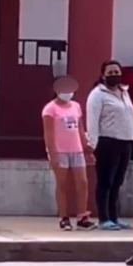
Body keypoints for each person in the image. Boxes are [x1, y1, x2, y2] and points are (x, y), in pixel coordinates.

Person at [86, 60, 133, 230]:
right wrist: (92, 144)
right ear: (103, 75)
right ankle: (104, 219)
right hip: (107, 142)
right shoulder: (97, 95)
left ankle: (114, 217)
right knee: (105, 181)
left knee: (117, 181)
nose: (114, 76)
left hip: (125, 141)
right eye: (110, 73)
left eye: (116, 72)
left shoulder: (124, 92)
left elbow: (130, 113)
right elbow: (92, 121)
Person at [42, 77, 96, 231]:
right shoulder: (50, 109)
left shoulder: (76, 107)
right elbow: (49, 134)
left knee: (82, 182)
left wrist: (86, 149)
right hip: (60, 151)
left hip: (77, 149)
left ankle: (82, 216)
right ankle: (64, 217)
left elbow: (80, 129)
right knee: (62, 184)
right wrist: (53, 155)